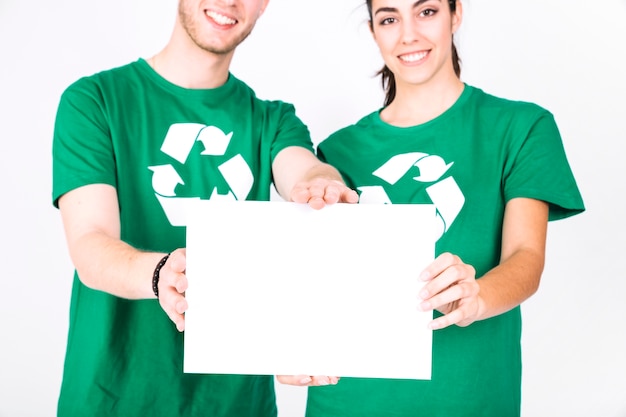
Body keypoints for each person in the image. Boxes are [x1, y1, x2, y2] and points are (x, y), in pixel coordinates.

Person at [51, 0, 359, 416]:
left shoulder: (272, 120)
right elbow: (90, 244)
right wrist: (162, 274)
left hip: (237, 405)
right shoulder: (95, 101)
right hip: (115, 399)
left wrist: (322, 184)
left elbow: (302, 170)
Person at [278, 0, 585, 416]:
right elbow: (319, 288)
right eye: (389, 18)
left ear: (456, 13)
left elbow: (526, 258)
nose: (408, 34)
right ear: (374, 31)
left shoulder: (519, 127)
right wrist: (292, 343)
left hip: (468, 398)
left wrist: (477, 297)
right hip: (350, 400)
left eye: (426, 12)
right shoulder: (334, 155)